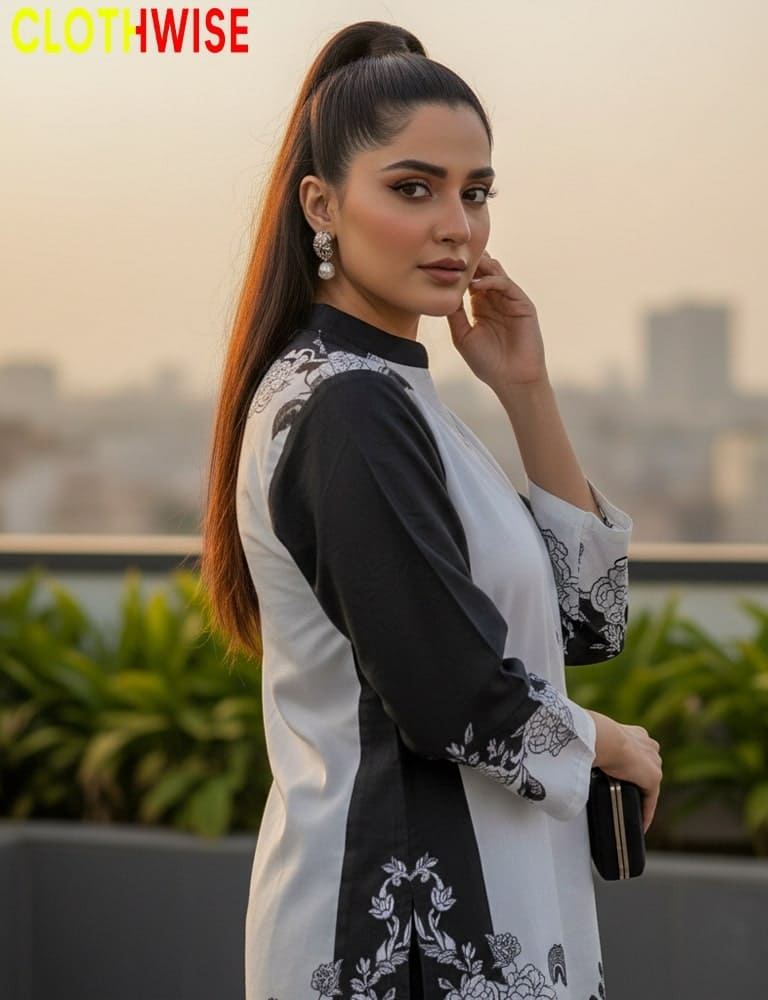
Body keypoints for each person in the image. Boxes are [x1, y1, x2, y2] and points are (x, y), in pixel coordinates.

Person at [200, 19, 663, 1000]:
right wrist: (612, 743)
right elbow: (447, 694)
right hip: (400, 934)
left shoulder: (401, 397)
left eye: (476, 191)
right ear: (321, 206)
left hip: (488, 916)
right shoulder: (345, 403)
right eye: (414, 188)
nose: (458, 224)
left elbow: (588, 622)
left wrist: (526, 390)